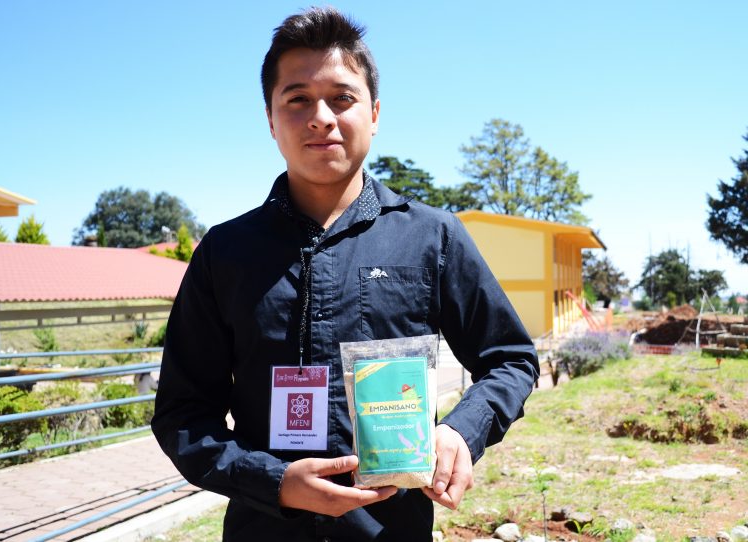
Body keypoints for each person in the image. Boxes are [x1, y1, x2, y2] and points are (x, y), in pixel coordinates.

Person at [151, 7, 538, 541]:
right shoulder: (225, 253)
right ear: (270, 119)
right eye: (297, 99)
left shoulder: (433, 237)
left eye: (342, 98)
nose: (321, 116)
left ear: (374, 114)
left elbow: (510, 359)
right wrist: (275, 481)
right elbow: (182, 413)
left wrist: (460, 432)